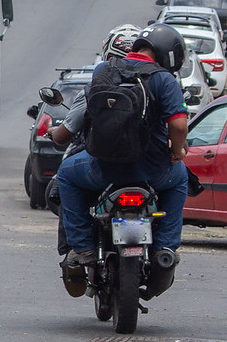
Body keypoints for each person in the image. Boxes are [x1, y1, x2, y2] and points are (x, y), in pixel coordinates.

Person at [55, 22, 190, 267]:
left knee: (65, 174)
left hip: (103, 169)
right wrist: (177, 151)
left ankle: (83, 247)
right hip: (152, 170)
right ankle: (166, 246)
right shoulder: (164, 79)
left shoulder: (103, 71)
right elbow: (179, 127)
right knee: (181, 178)